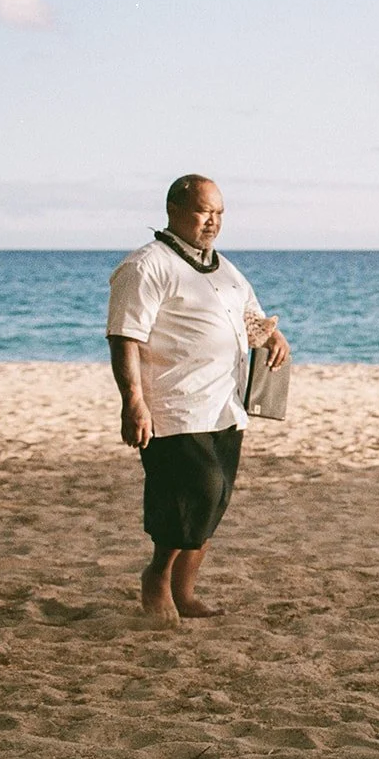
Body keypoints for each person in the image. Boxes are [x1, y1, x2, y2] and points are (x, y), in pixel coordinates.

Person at [105, 174, 289, 625]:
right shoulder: (147, 265)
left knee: (216, 498)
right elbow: (124, 337)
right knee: (192, 494)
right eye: (205, 211)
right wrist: (133, 402)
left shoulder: (224, 267)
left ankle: (184, 592)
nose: (214, 221)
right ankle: (157, 576)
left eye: (220, 213)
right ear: (174, 209)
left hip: (225, 404)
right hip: (174, 406)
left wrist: (272, 337)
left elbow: (248, 318)